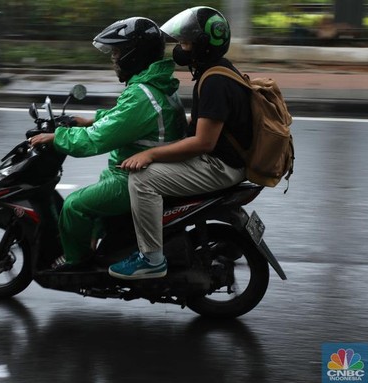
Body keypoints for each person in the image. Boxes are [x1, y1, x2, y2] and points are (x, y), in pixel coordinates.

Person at [29, 16, 186, 271]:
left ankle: (76, 261)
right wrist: (87, 120)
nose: (114, 58)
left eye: (117, 51)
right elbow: (123, 118)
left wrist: (56, 138)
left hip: (133, 177)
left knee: (74, 206)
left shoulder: (142, 94)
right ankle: (103, 246)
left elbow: (96, 140)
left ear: (134, 54)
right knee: (100, 188)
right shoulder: (156, 84)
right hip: (139, 169)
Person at [109, 6, 251, 280]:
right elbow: (206, 121)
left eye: (186, 43)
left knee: (142, 179)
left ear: (202, 46)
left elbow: (203, 143)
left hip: (219, 166)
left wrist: (150, 154)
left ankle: (151, 258)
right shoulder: (219, 71)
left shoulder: (214, 82)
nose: (180, 49)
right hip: (225, 160)